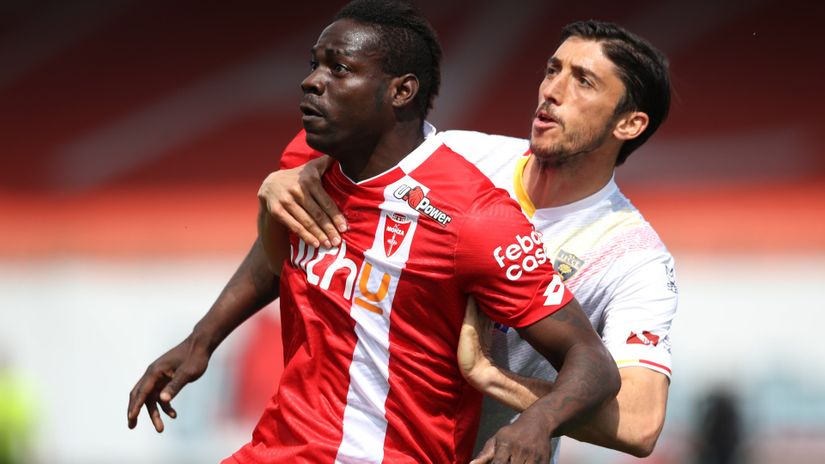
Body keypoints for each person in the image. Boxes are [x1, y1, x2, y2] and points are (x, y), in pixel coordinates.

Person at [127, 2, 620, 463]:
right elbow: (287, 241)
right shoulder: (307, 159)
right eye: (315, 64)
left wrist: (539, 422)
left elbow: (591, 360)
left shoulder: (473, 217)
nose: (310, 82)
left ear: (401, 91)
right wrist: (203, 339)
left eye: (338, 69)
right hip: (278, 446)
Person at [259, 19, 678, 463]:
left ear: (629, 124)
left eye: (583, 82)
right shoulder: (457, 156)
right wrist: (282, 186)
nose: (551, 91)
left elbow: (639, 424)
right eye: (553, 70)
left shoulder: (634, 258)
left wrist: (492, 377)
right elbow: (309, 233)